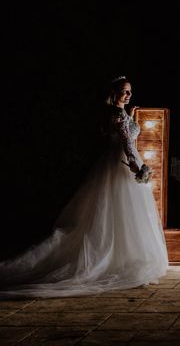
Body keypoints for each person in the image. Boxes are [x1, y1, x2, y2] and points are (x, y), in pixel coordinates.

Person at [0, 76, 168, 297]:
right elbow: (127, 142)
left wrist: (132, 115)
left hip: (111, 161)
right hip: (122, 163)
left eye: (130, 91)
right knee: (121, 210)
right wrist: (137, 167)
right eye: (124, 91)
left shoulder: (115, 113)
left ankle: (122, 254)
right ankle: (119, 258)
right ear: (114, 93)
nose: (128, 95)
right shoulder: (118, 114)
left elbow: (121, 132)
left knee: (118, 211)